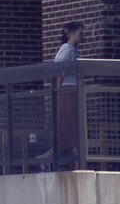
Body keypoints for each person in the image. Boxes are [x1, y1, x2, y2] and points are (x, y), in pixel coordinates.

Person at [38, 21, 84, 170]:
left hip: (73, 90)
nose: (82, 36)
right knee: (66, 126)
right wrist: (59, 92)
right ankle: (48, 158)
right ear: (70, 34)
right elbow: (58, 71)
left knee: (72, 127)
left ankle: (74, 162)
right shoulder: (67, 50)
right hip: (67, 90)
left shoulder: (74, 51)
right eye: (80, 33)